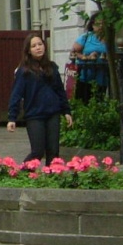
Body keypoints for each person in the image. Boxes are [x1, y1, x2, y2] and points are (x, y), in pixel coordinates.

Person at [7, 32, 74, 164]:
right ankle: (23, 173)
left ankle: (51, 177)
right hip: (35, 115)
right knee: (38, 151)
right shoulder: (24, 71)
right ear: (28, 51)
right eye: (34, 46)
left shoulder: (52, 67)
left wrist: (66, 111)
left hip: (52, 114)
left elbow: (60, 90)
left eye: (40, 44)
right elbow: (16, 95)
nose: (38, 48)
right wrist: (12, 118)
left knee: (53, 151)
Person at [71, 12, 108, 104]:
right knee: (84, 101)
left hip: (102, 76)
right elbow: (73, 53)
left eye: (103, 24)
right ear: (92, 24)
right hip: (86, 75)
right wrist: (86, 57)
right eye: (97, 24)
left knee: (99, 101)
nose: (100, 26)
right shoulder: (86, 37)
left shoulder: (108, 39)